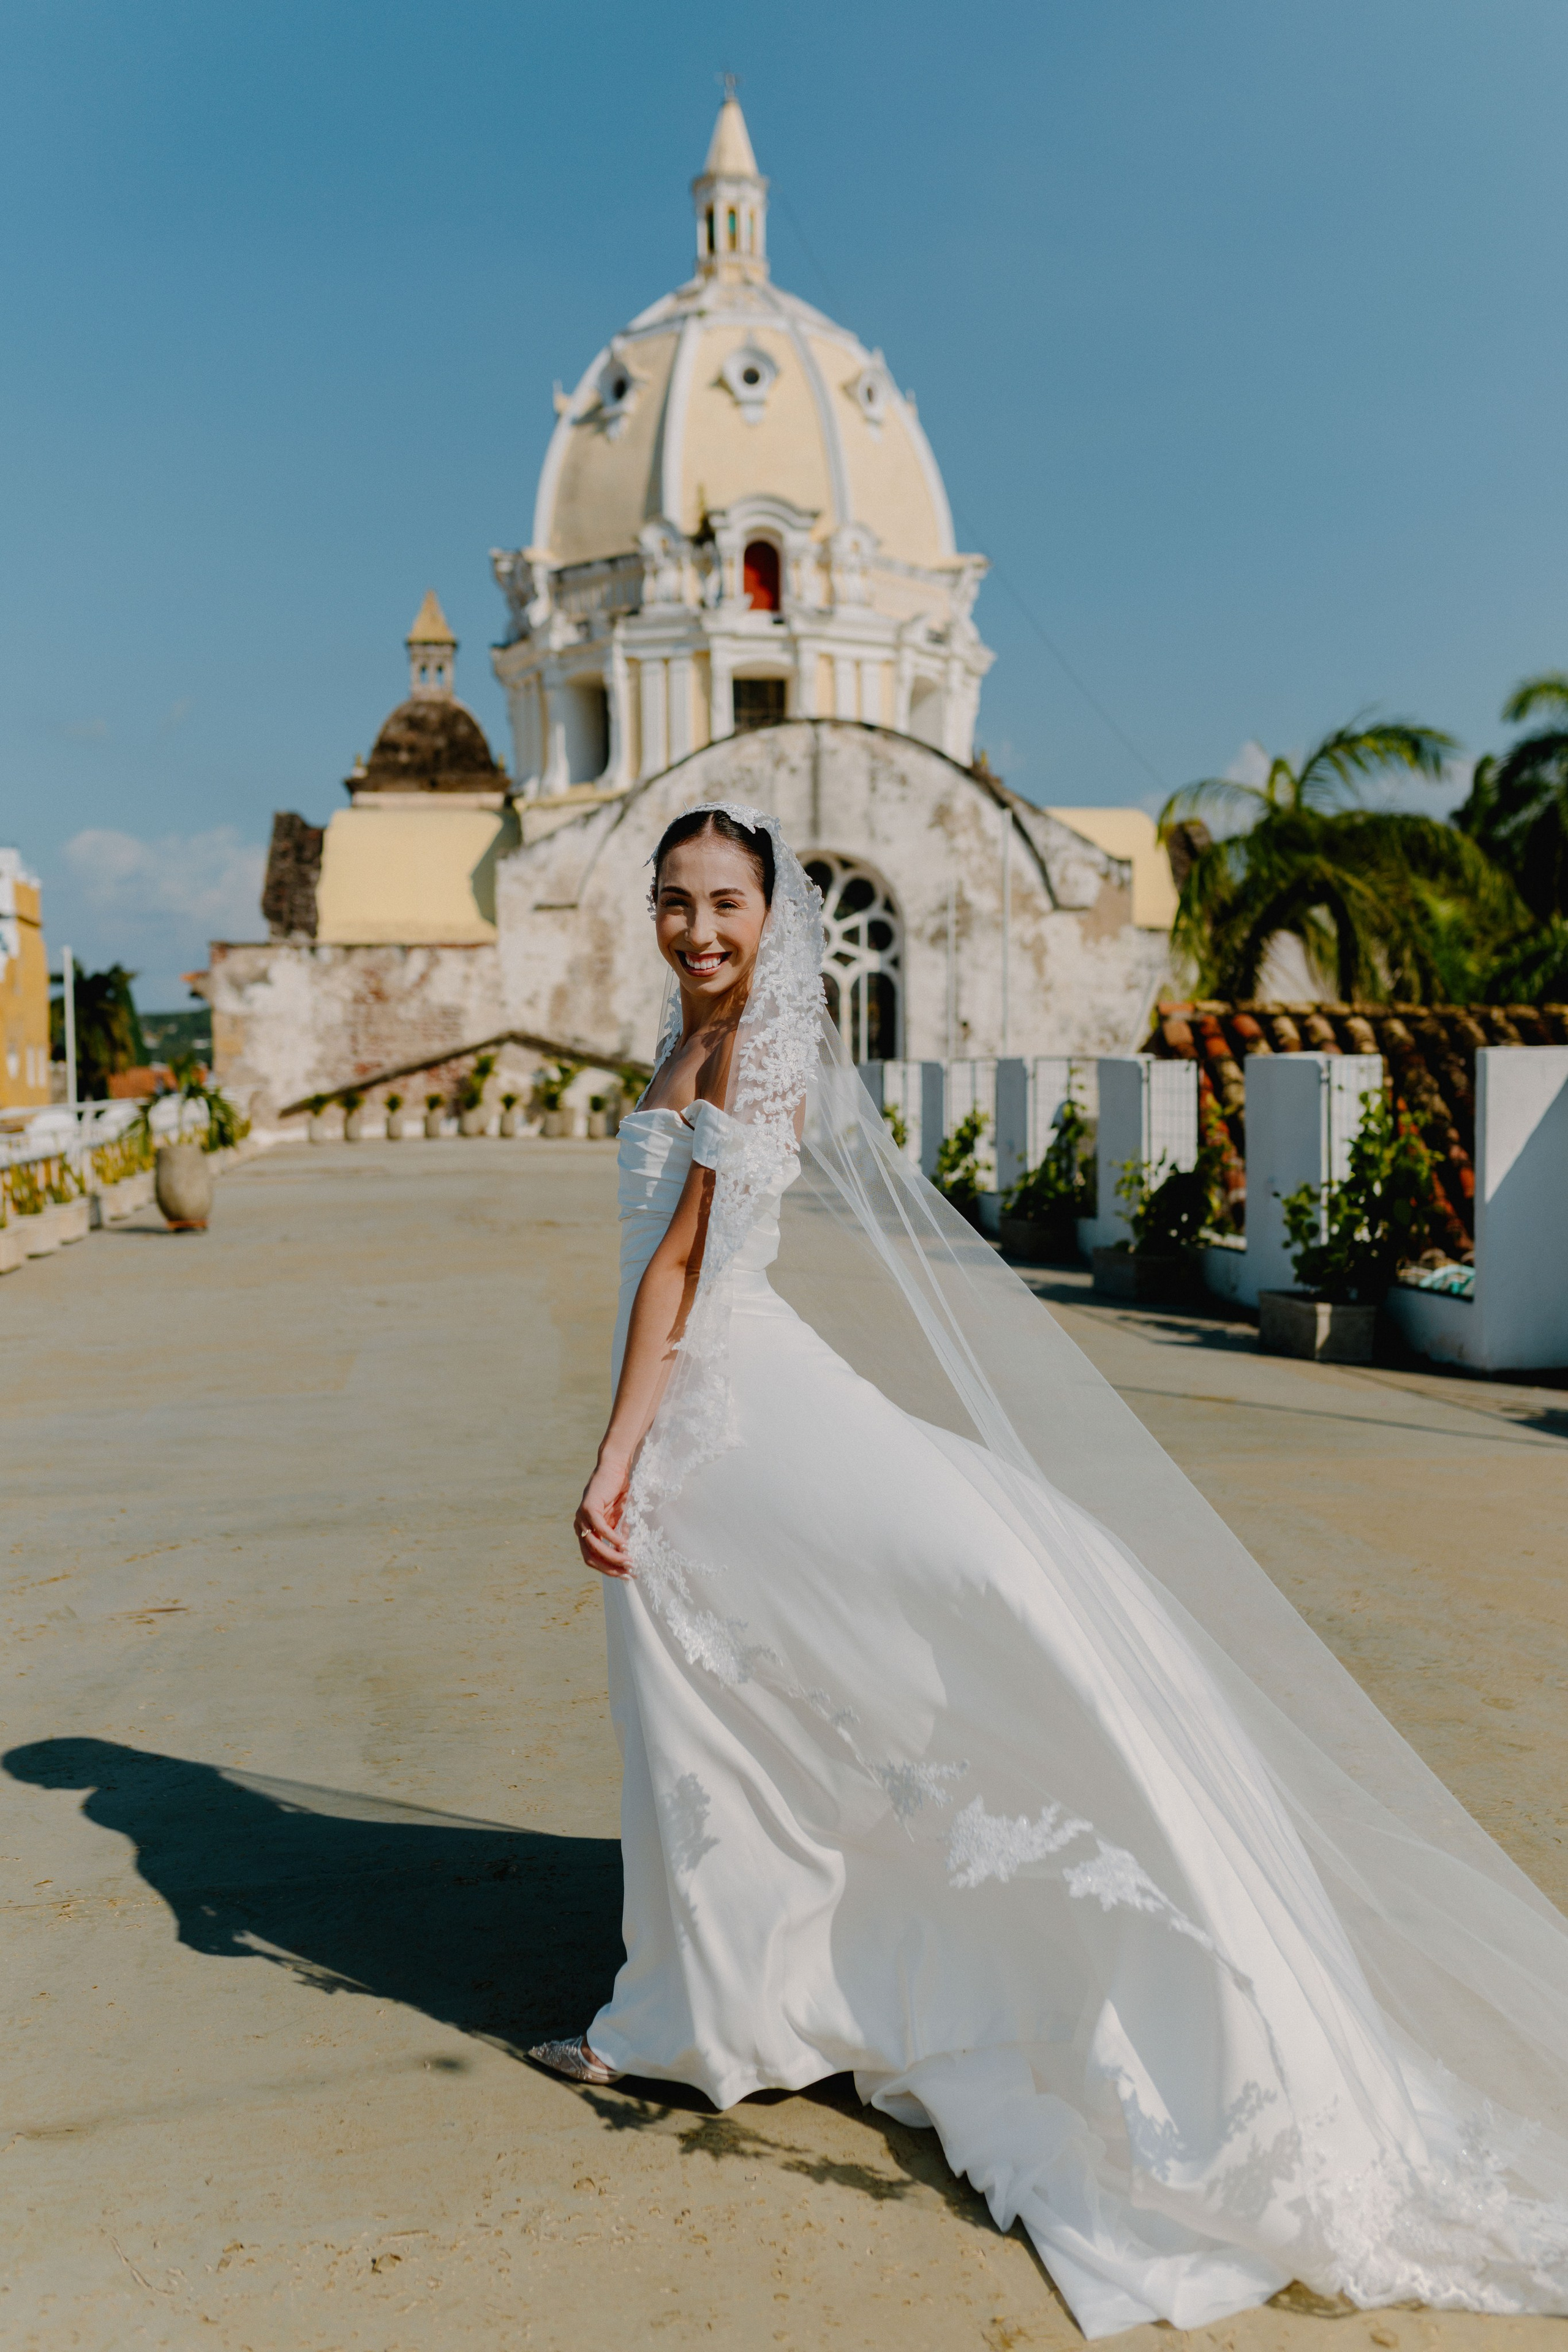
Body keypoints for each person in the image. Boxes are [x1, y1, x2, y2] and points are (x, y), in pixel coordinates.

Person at [530, 801, 1568, 2339]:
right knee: (702, 1703)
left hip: (725, 1404)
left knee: (901, 1627)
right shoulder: (685, 1045)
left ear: (775, 914)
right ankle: (707, 2006)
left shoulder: (759, 1051)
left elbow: (685, 1261)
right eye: (674, 901)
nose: (698, 929)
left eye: (726, 902)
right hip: (699, 1400)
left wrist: (614, 1455)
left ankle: (724, 2009)